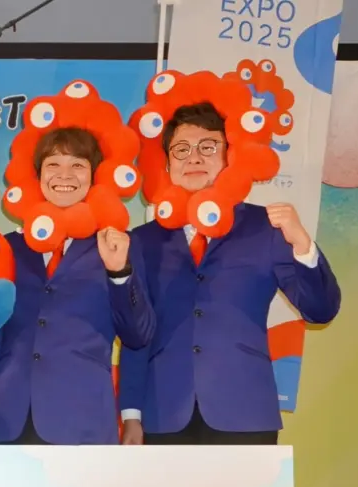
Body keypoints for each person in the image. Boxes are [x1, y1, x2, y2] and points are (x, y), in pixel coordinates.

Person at [118, 100, 341, 445]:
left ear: (228, 157)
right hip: (164, 415)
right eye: (181, 149)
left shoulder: (265, 227)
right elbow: (137, 333)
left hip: (245, 412)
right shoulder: (142, 241)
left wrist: (302, 244)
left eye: (208, 146)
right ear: (167, 164)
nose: (194, 158)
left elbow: (320, 310)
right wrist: (131, 414)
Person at [0, 117, 155, 445]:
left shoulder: (116, 245)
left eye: (78, 165)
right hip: (9, 418)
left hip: (83, 419)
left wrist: (119, 272)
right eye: (53, 164)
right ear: (38, 176)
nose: (64, 175)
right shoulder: (9, 248)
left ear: (94, 177)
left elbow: (138, 335)